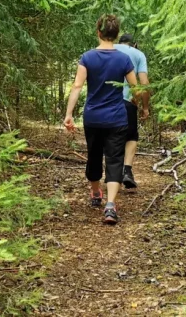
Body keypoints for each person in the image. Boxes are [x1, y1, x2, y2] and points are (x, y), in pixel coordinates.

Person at [64, 14, 139, 225]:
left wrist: (69, 115)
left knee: (94, 155)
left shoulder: (87, 58)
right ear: (115, 35)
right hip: (116, 118)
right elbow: (136, 88)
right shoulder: (124, 59)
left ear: (98, 33)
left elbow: (77, 86)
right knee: (115, 159)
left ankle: (96, 193)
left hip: (93, 117)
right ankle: (110, 205)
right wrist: (138, 102)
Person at [113, 34, 150, 189]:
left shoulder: (109, 49)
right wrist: (145, 106)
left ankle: (113, 175)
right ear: (134, 44)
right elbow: (144, 83)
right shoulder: (138, 54)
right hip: (128, 101)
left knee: (111, 136)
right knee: (131, 135)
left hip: (106, 102)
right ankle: (127, 170)